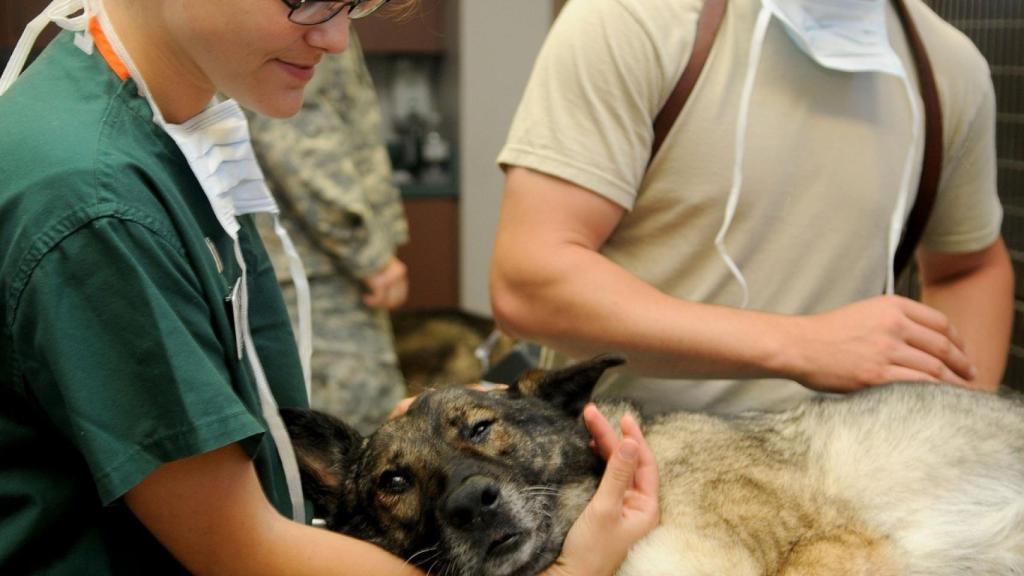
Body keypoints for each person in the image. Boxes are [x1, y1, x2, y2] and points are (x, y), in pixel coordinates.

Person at [0, 0, 659, 574]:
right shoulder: (94, 202)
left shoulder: (163, 133)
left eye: (357, 3)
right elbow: (242, 551)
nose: (337, 37)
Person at [491, 0, 1014, 416]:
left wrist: (956, 427)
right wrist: (801, 344)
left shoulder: (947, 68)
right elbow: (530, 280)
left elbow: (970, 266)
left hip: (847, 478)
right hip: (628, 471)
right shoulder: (636, 19)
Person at [247, 32, 410, 435]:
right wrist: (368, 255)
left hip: (307, 263)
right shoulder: (307, 15)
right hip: (315, 270)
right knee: (354, 443)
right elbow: (297, 139)